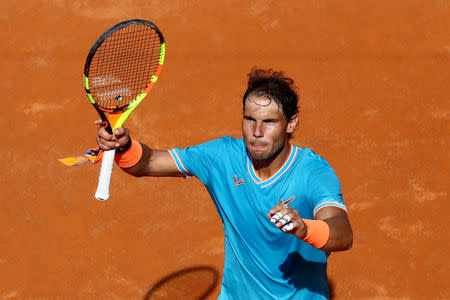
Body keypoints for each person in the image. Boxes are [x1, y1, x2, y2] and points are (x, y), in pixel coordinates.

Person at [95, 68, 353, 299]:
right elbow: (148, 163)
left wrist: (303, 228)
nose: (257, 132)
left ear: (292, 123)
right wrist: (124, 147)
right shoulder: (222, 157)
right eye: (250, 119)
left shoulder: (312, 172)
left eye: (269, 122)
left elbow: (343, 233)